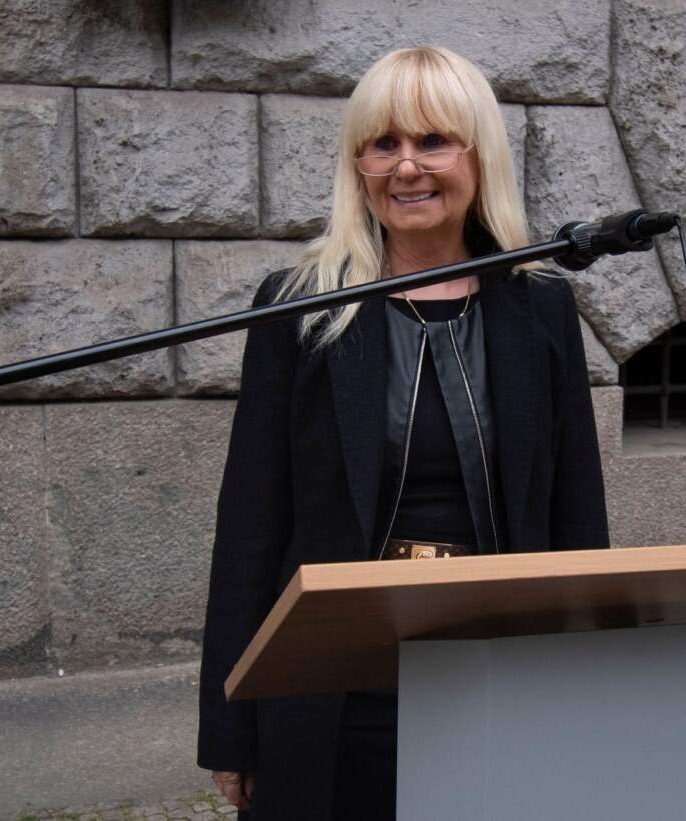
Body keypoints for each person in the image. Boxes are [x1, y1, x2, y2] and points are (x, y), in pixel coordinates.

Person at [197, 46, 609, 820]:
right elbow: (250, 526)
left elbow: (577, 515)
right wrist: (230, 724)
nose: (406, 167)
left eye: (432, 142)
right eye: (384, 144)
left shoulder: (541, 305)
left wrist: (583, 685)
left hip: (495, 672)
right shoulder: (298, 307)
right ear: (357, 164)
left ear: (479, 156)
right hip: (332, 685)